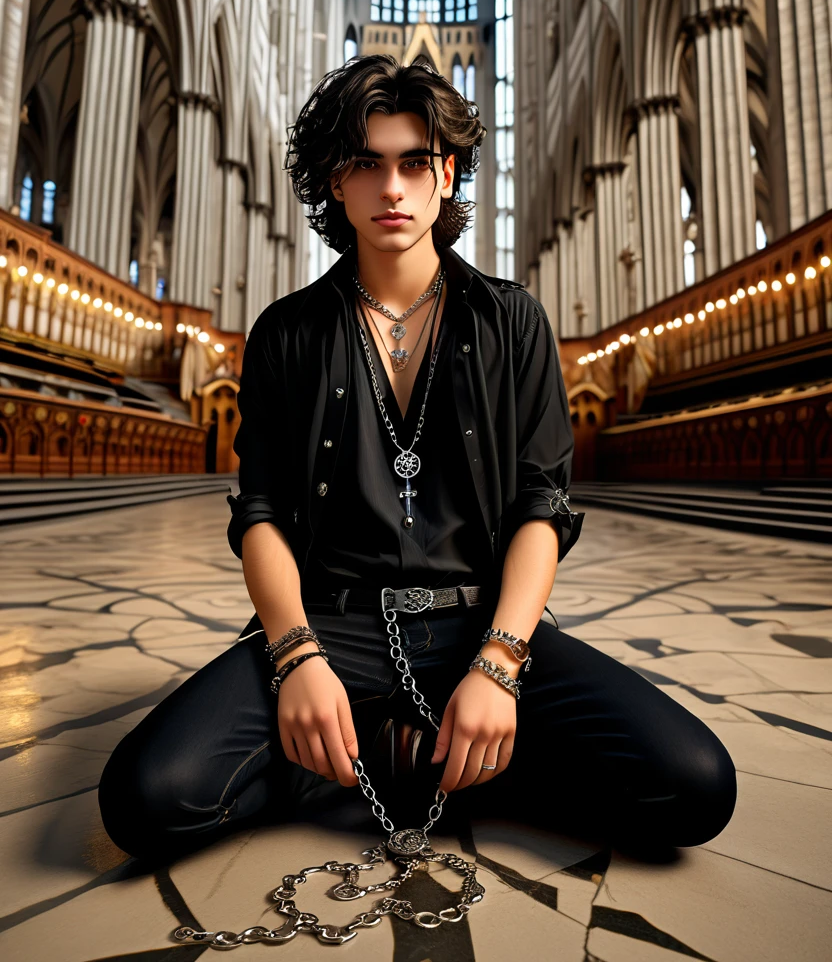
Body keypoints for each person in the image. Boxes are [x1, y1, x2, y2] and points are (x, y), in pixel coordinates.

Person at [98, 54, 737, 860]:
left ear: (447, 173)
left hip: (479, 619)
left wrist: (502, 664)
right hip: (332, 623)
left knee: (695, 783)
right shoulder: (287, 335)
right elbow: (258, 515)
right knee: (144, 799)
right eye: (367, 164)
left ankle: (378, 759)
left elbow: (545, 508)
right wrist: (296, 657)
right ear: (336, 182)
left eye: (413, 163)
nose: (392, 189)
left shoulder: (514, 323)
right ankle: (402, 755)